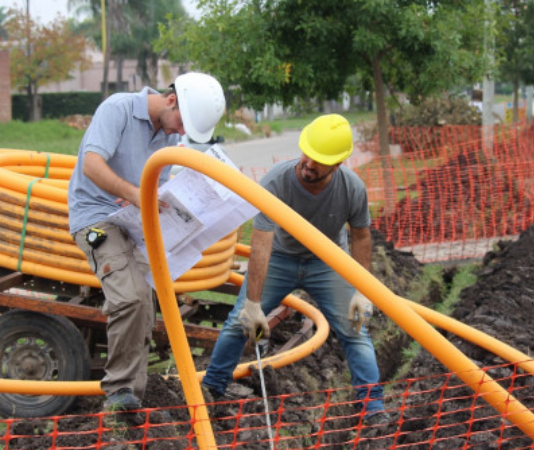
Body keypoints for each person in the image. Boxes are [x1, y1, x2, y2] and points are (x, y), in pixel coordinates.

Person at [201, 114, 391, 426]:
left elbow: (361, 236)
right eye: (307, 153)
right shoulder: (276, 181)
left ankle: (372, 409)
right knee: (239, 323)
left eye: (318, 161)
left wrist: (361, 291)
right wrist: (253, 303)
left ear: (337, 164)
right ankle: (211, 391)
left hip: (327, 260)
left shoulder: (352, 188)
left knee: (355, 329)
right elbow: (261, 244)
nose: (308, 164)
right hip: (280, 258)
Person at [67, 72, 226, 412]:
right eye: (183, 122)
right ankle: (119, 395)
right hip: (96, 220)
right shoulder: (118, 109)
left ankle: (132, 396)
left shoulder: (166, 134)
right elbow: (91, 165)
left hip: (131, 220)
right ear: (171, 100)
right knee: (132, 298)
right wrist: (135, 195)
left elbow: (154, 186)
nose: (181, 132)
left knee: (146, 301)